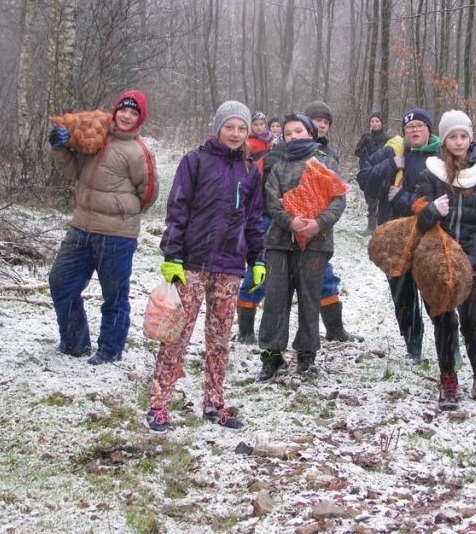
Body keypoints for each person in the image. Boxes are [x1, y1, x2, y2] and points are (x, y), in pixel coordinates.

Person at [146, 101, 266, 433]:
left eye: (242, 128)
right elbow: (177, 209)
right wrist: (172, 255)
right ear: (218, 128)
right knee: (177, 336)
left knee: (220, 339)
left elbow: (254, 219)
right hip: (192, 264)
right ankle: (158, 405)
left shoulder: (250, 170)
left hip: (230, 266)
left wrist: (258, 259)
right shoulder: (194, 161)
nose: (236, 134)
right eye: (230, 127)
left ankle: (214, 404)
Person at [48, 90, 158, 365]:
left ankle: (109, 350)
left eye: (134, 113)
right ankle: (74, 343)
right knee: (61, 282)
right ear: (115, 110)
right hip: (81, 227)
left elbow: (149, 193)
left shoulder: (138, 151)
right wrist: (59, 147)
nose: (127, 116)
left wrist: (123, 209)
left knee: (114, 296)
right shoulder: (94, 135)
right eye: (124, 110)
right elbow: (73, 170)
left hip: (117, 235)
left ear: (139, 119)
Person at [416, 110, 476, 410]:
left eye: (464, 136)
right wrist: (432, 210)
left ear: (470, 138)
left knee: (471, 320)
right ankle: (448, 378)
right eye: (453, 136)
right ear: (444, 140)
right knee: (444, 320)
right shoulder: (430, 171)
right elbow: (417, 216)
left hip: (471, 260)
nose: (459, 142)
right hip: (437, 260)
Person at [256, 114, 347, 381]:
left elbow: (338, 199)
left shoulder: (326, 162)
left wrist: (318, 224)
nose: (294, 136)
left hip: (316, 245)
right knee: (275, 299)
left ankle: (307, 357)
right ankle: (271, 356)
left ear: (311, 133)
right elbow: (271, 200)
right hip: (279, 243)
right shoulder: (278, 164)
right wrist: (291, 222)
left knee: (309, 300)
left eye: (299, 131)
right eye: (288, 133)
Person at [357, 108, 441, 363]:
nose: (414, 130)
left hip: (432, 235)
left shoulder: (442, 155)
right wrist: (391, 165)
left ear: (429, 129)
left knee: (436, 294)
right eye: (409, 127)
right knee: (403, 295)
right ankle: (413, 346)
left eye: (419, 126)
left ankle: (449, 344)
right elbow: (363, 178)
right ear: (404, 132)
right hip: (396, 236)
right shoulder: (393, 151)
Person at [303, 100, 364, 343]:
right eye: (317, 120)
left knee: (325, 276)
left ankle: (335, 329)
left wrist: (322, 220)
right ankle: (252, 332)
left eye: (325, 122)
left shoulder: (330, 156)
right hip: (287, 227)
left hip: (320, 228)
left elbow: (336, 193)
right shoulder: (286, 149)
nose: (321, 125)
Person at [236, 111, 274, 346]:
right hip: (260, 215)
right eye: (256, 123)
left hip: (279, 216)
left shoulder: (275, 145)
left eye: (263, 123)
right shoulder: (249, 147)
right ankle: (245, 329)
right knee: (258, 268)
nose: (259, 127)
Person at [354, 111, 391, 236]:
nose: (374, 124)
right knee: (369, 199)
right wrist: (363, 148)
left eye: (377, 121)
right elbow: (357, 152)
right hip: (367, 172)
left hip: (381, 173)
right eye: (372, 121)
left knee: (381, 200)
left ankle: (381, 227)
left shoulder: (387, 138)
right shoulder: (366, 136)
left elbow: (390, 155)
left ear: (381, 122)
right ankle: (370, 227)